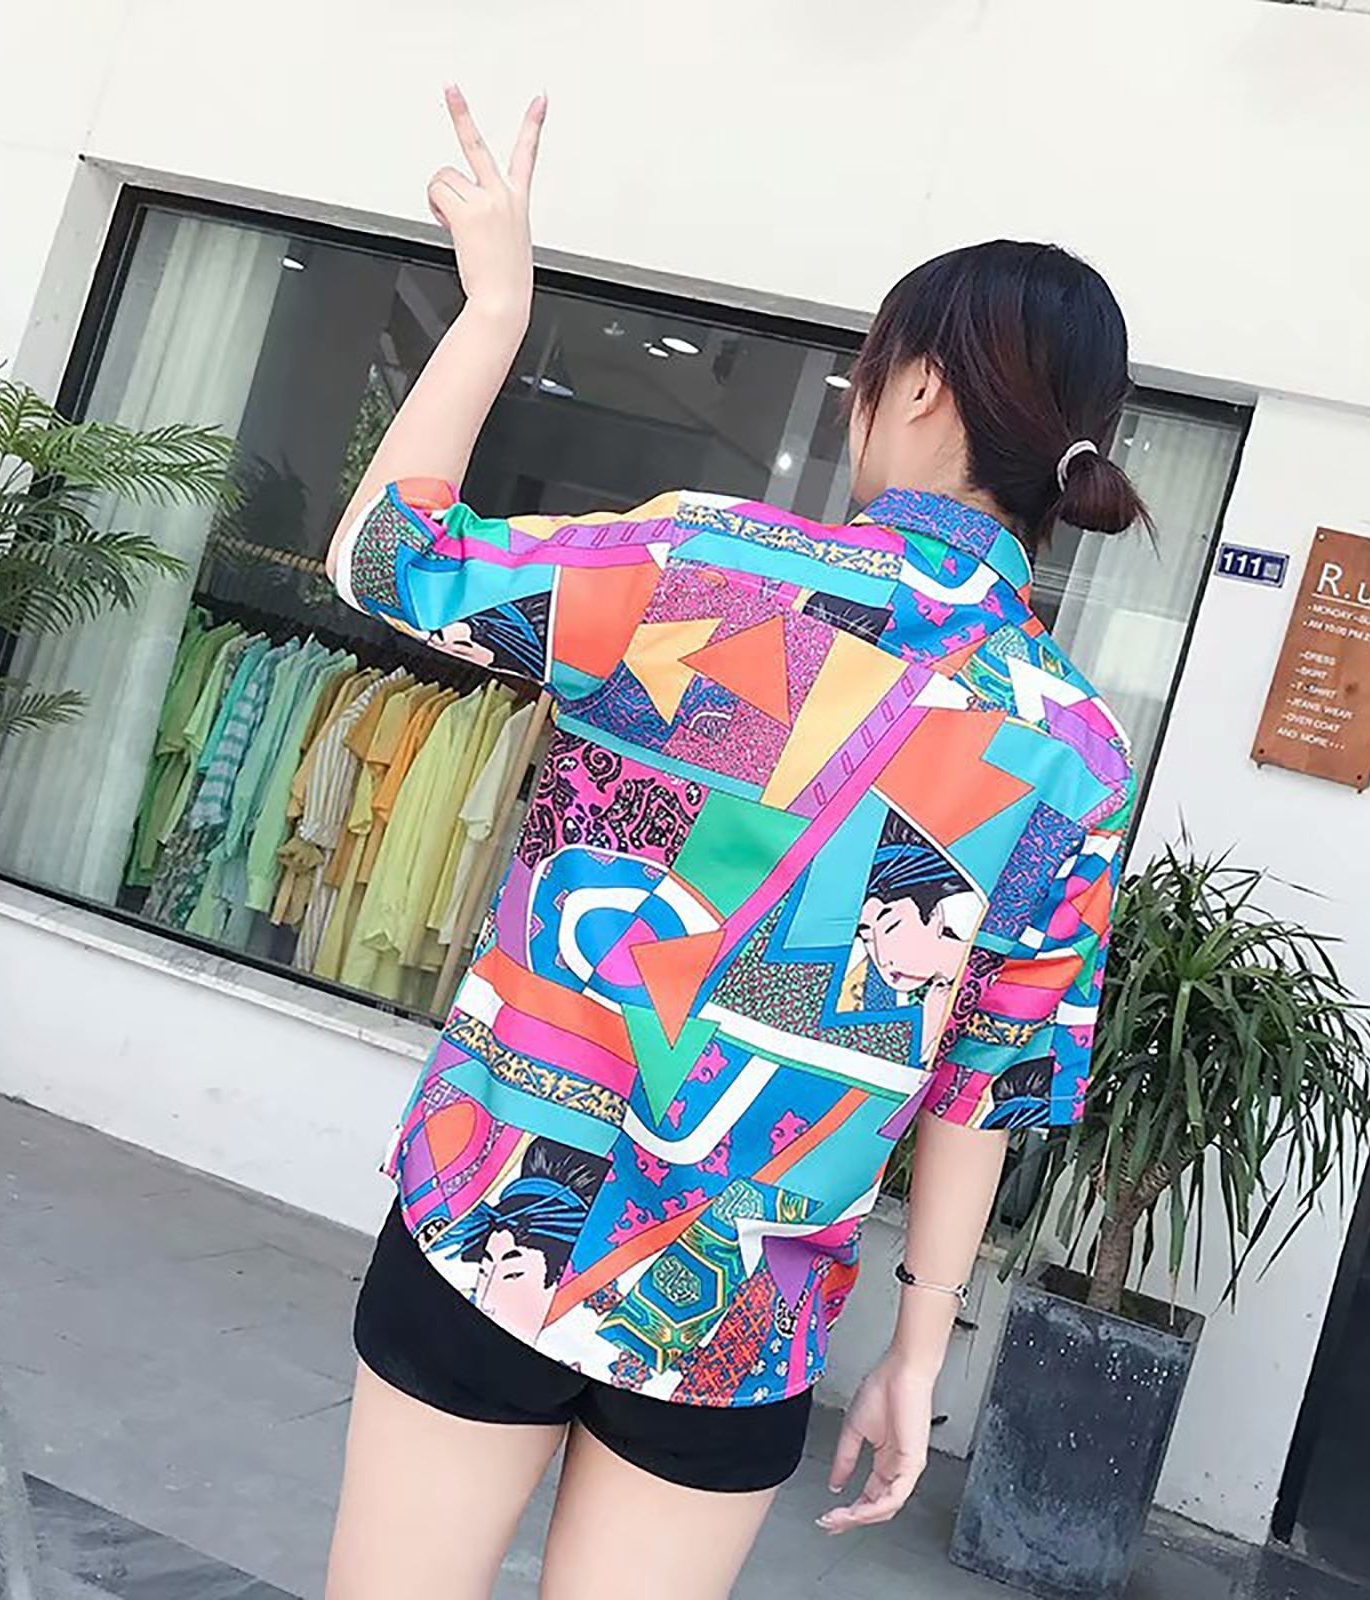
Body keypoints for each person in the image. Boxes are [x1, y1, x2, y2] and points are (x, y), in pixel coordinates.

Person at [324, 84, 1144, 1600]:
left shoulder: (709, 564)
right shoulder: (1075, 747)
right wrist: (917, 1350)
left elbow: (386, 560)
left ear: (918, 388)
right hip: (739, 1308)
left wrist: (495, 308)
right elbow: (993, 1069)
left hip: (498, 1205)